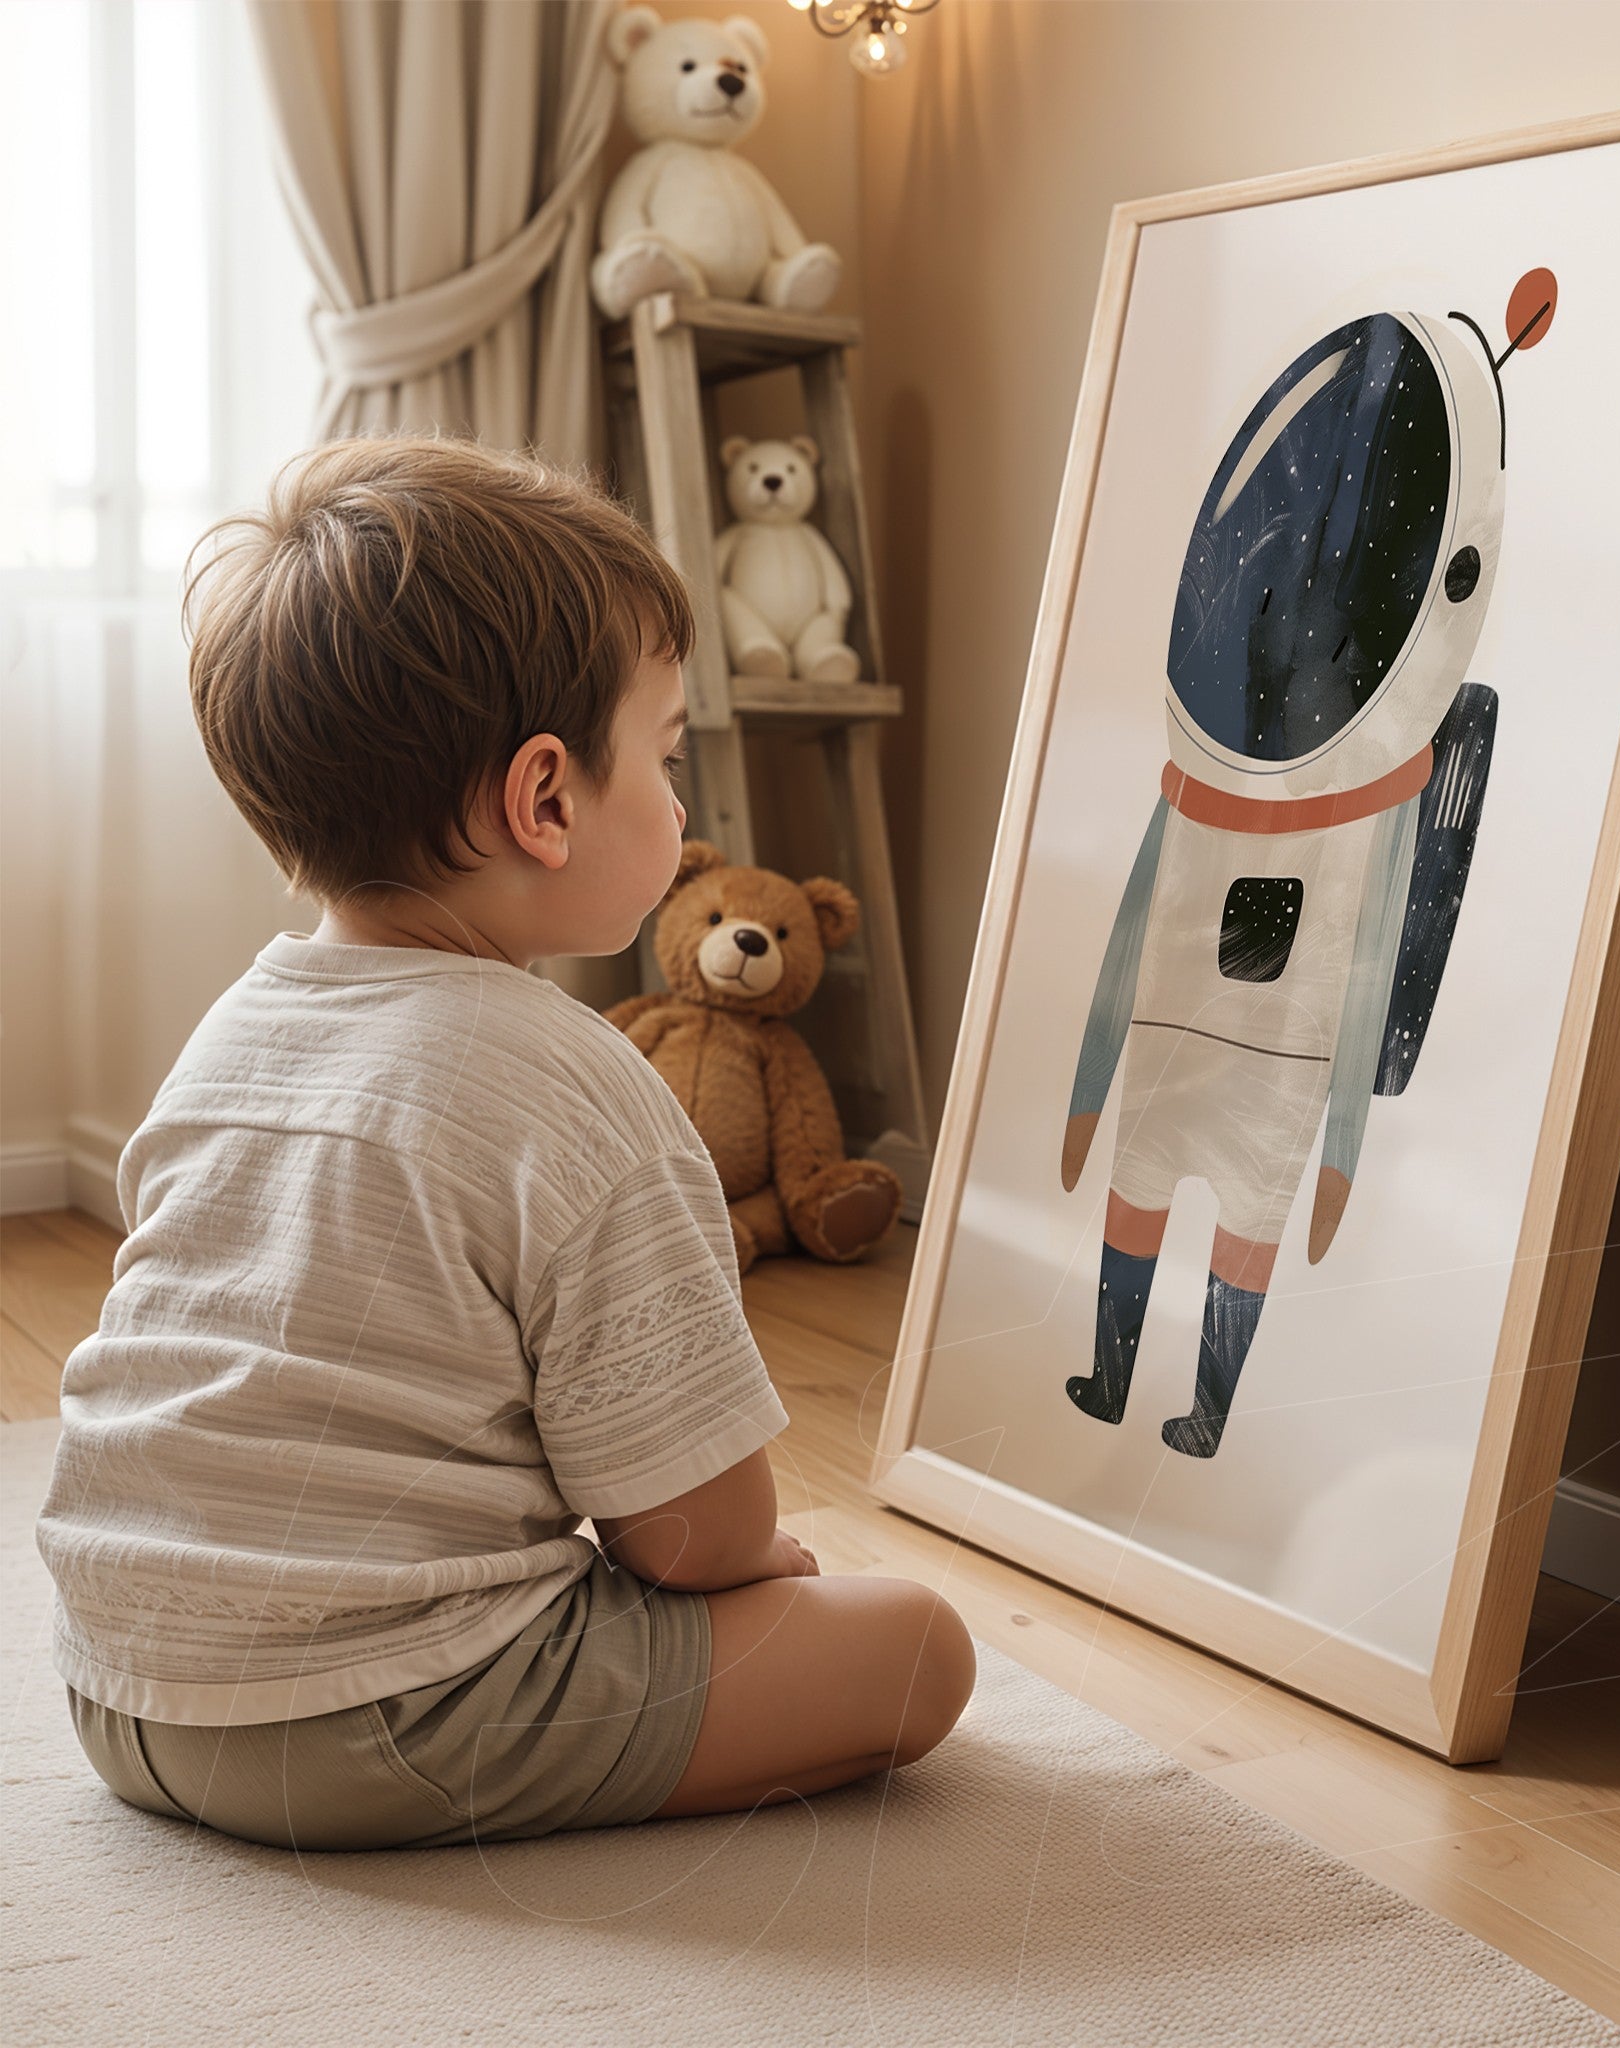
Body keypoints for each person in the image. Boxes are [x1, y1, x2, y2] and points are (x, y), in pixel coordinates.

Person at [34, 434, 975, 1851]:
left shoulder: (234, 1031)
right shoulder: (575, 1084)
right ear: (544, 803)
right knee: (916, 1647)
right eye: (664, 761)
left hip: (119, 1689)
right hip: (369, 1715)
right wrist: (760, 1568)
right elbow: (688, 1537)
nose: (681, 809)